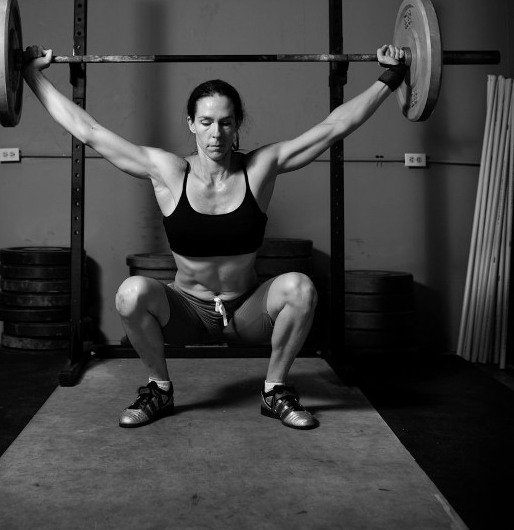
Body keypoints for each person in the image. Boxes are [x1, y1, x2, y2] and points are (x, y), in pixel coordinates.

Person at [23, 44, 406, 431]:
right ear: (190, 123)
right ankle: (159, 389)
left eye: (225, 122)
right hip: (186, 312)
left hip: (248, 313)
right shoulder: (168, 172)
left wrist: (391, 77)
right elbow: (90, 132)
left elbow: (335, 127)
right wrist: (30, 75)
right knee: (130, 293)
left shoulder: (261, 167)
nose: (216, 133)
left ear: (237, 123)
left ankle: (274, 391)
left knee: (301, 288)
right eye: (205, 122)